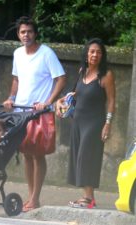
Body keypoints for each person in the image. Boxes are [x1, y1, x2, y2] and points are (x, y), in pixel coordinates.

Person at [3, 16, 66, 212]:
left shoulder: (46, 53)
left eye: (29, 31)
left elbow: (61, 79)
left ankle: (35, 198)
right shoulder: (17, 54)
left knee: (38, 155)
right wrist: (11, 97)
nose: (26, 35)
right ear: (18, 34)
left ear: (35, 33)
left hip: (39, 112)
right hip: (21, 111)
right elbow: (16, 79)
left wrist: (47, 102)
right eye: (23, 32)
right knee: (27, 155)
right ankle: (30, 197)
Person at [56, 38, 115, 209]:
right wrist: (59, 102)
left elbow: (111, 101)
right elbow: (74, 94)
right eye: (92, 51)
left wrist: (108, 123)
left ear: (102, 55)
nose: (95, 54)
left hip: (95, 123)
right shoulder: (83, 71)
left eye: (98, 52)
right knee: (77, 158)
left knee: (87, 157)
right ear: (86, 53)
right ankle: (87, 196)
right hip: (78, 122)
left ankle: (89, 199)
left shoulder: (106, 75)